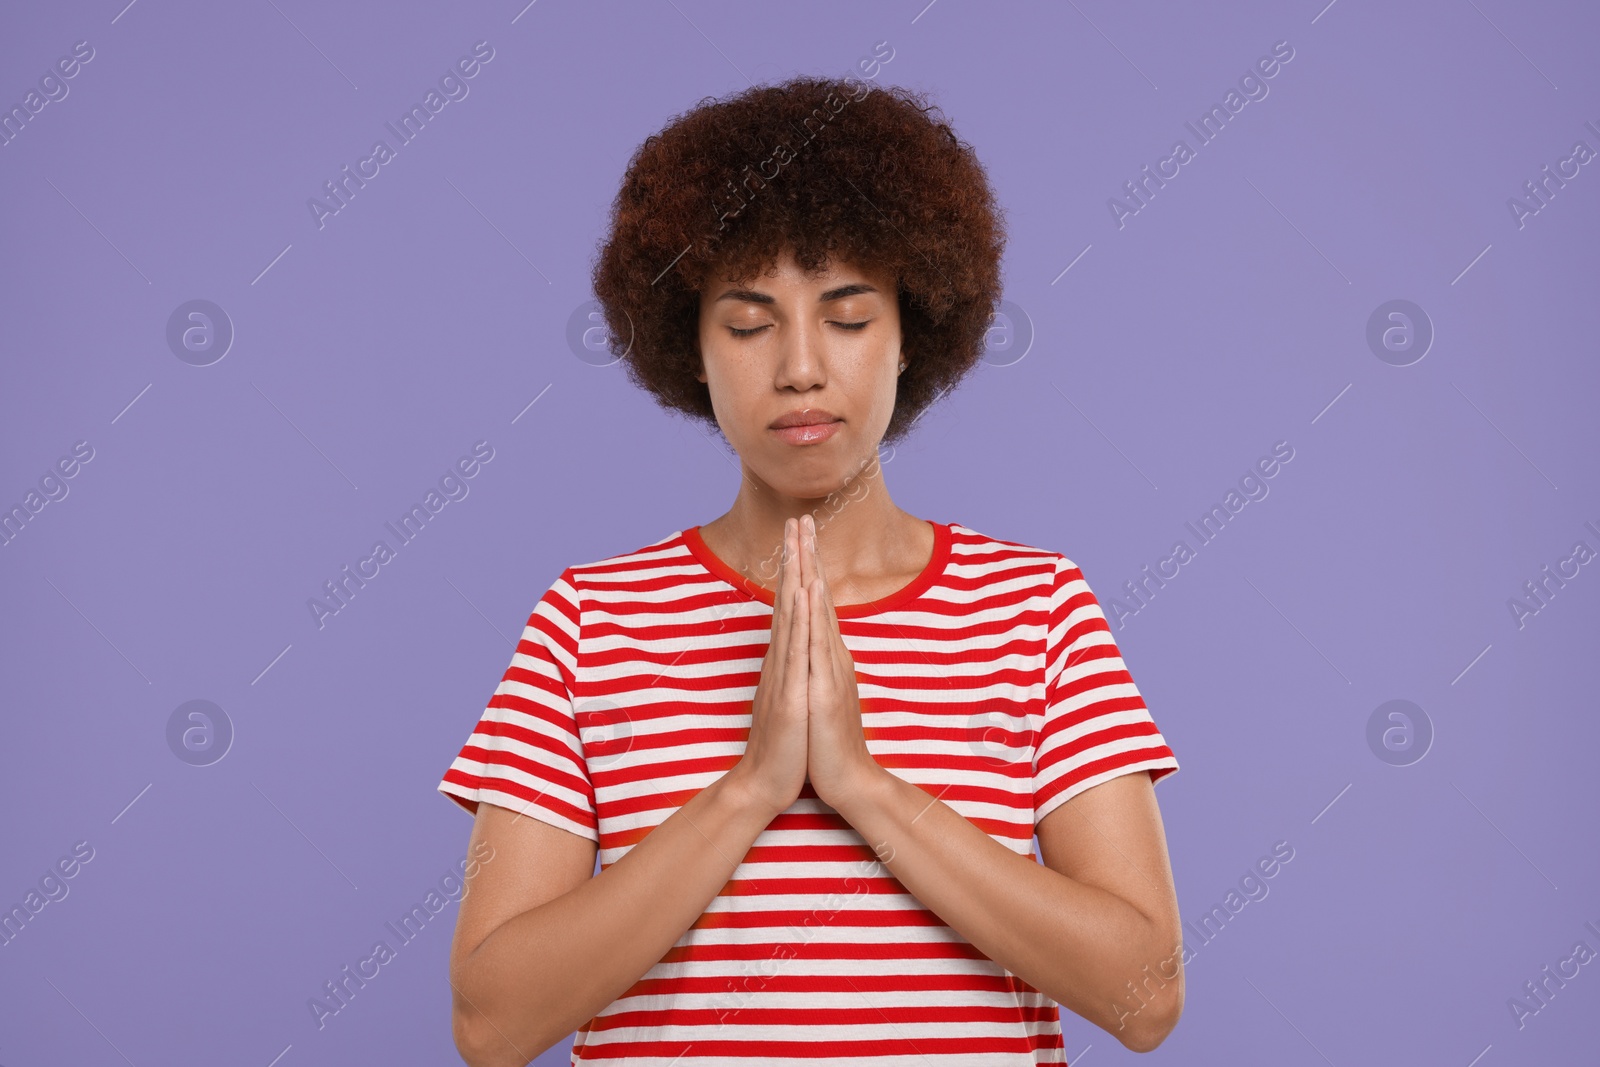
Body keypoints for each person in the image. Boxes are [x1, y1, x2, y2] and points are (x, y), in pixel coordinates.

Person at [438, 74, 1183, 1066]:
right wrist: (751, 785)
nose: (798, 367)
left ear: (910, 331)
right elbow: (491, 1024)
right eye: (748, 323)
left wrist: (861, 783)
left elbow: (1145, 996)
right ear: (691, 350)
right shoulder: (590, 622)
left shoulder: (1034, 609)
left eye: (846, 315)